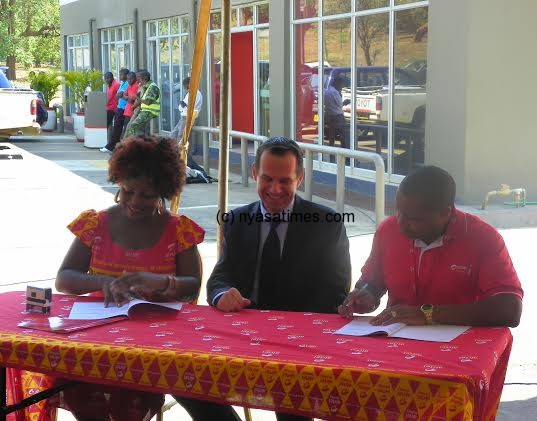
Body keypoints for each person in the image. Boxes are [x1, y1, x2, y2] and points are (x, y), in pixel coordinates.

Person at [174, 137, 352, 421]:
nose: (275, 189)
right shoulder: (236, 220)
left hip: (299, 343)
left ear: (300, 178)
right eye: (267, 178)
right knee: (182, 374)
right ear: (255, 173)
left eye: (285, 181)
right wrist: (223, 295)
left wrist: (282, 329)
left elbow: (335, 292)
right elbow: (220, 277)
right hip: (241, 335)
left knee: (292, 404)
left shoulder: (325, 224)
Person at [50, 135, 205, 420]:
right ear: (119, 182)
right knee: (86, 395)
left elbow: (192, 287)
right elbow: (64, 279)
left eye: (146, 195)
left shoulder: (179, 230)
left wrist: (161, 283)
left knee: (129, 404)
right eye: (128, 191)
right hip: (94, 339)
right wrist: (102, 282)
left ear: (163, 191)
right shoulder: (95, 223)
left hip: (152, 346)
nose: (135, 202)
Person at [339, 165, 523, 328]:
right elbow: (373, 282)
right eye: (399, 212)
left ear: (446, 213)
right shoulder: (388, 230)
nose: (401, 224)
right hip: (393, 338)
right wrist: (365, 296)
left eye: (414, 219)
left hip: (460, 346)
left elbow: (510, 309)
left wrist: (428, 314)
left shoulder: (483, 238)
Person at [170, 76, 206, 174]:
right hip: (183, 116)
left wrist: (183, 105)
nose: (186, 87)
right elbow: (181, 107)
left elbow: (186, 105)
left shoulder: (196, 93)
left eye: (187, 85)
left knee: (181, 138)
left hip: (188, 117)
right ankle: (173, 155)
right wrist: (182, 105)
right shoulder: (189, 93)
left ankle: (179, 159)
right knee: (174, 134)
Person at [124, 70, 160, 137]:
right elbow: (142, 98)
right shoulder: (145, 86)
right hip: (145, 110)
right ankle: (141, 143)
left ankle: (138, 144)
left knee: (133, 126)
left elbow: (148, 102)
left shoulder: (152, 87)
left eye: (139, 78)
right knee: (135, 127)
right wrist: (134, 105)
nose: (137, 80)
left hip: (150, 112)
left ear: (144, 78)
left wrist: (136, 98)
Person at [101, 68, 129, 152]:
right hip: (117, 107)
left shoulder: (117, 84)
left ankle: (110, 146)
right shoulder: (121, 84)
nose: (120, 76)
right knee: (116, 127)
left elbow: (119, 95)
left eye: (121, 74)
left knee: (116, 127)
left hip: (117, 108)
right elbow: (118, 95)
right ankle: (112, 145)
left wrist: (119, 96)